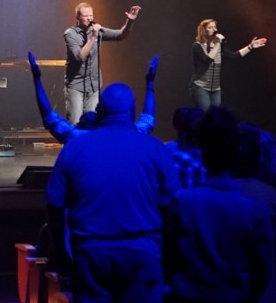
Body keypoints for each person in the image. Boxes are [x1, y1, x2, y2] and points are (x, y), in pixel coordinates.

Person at [46, 82, 178, 302]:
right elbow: (173, 208)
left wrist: (62, 254)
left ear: (100, 111)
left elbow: (55, 209)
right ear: (133, 110)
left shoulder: (75, 148)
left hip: (91, 254)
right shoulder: (156, 149)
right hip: (143, 254)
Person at [163, 106, 274, 303]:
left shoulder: (181, 203)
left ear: (203, 150)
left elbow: (166, 260)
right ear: (236, 151)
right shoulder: (255, 212)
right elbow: (263, 274)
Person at [30, 50, 157, 144]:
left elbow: (49, 118)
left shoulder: (82, 139)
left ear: (101, 113)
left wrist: (37, 79)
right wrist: (150, 84)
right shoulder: (136, 136)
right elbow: (148, 119)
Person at [63, 2, 141, 125]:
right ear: (77, 17)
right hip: (76, 86)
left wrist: (130, 21)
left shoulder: (98, 31)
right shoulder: (70, 34)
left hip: (93, 85)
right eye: (85, 16)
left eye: (91, 15)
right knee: (75, 122)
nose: (89, 18)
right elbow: (79, 57)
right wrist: (93, 37)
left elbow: (120, 35)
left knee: (93, 122)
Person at [190, 18, 267, 110]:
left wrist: (250, 47)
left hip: (215, 88)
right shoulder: (197, 46)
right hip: (200, 86)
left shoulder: (218, 46)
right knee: (205, 114)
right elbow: (208, 60)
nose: (214, 29)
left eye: (215, 27)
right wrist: (217, 44)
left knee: (215, 115)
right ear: (203, 30)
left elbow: (233, 55)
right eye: (210, 27)